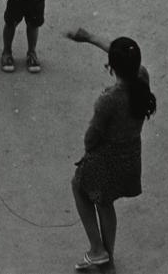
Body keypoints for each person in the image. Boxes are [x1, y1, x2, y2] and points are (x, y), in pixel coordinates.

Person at [65, 28, 156, 271]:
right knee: (105, 203)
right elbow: (124, 59)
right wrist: (91, 37)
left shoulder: (109, 100)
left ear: (112, 67)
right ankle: (107, 259)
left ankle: (97, 249)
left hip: (105, 160)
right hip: (130, 157)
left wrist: (88, 154)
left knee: (78, 186)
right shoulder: (142, 78)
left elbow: (91, 137)